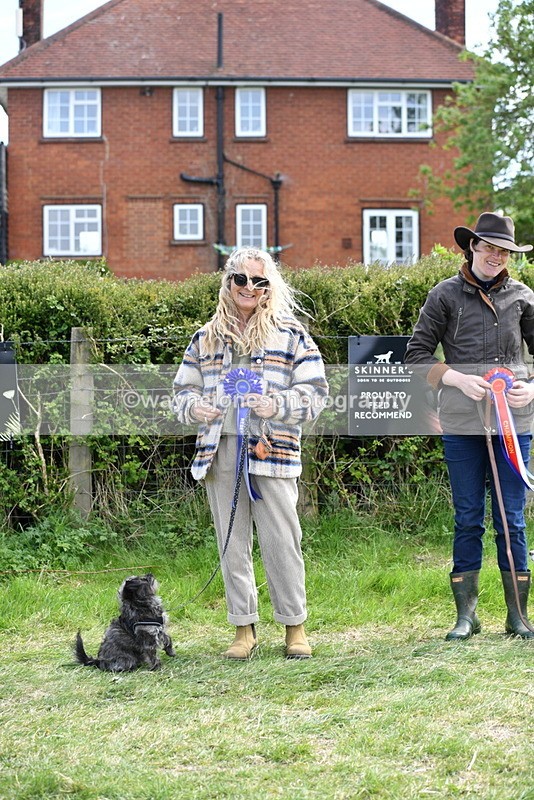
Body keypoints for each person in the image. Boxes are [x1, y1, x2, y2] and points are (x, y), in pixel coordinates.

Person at [173, 247, 328, 659]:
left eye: (259, 281)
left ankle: (294, 627)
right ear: (227, 283)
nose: (249, 288)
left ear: (269, 287)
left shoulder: (291, 334)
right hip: (219, 452)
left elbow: (316, 393)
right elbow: (180, 393)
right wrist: (196, 408)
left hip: (272, 449)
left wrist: (275, 405)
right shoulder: (204, 338)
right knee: (231, 542)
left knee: (282, 541)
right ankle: (244, 629)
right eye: (240, 279)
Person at [405, 212, 534, 640]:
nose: (496, 256)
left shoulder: (522, 296)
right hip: (461, 423)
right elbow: (416, 355)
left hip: (514, 423)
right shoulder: (443, 295)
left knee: (511, 518)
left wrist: (531, 388)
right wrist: (456, 377)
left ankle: (518, 615)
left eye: (504, 250)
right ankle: (467, 616)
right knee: (467, 518)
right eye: (489, 247)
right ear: (472, 247)